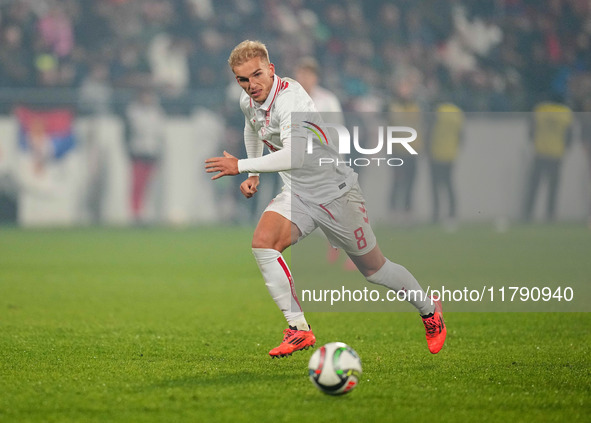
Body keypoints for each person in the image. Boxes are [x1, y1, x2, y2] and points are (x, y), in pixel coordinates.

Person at [205, 40, 446, 358]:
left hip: (336, 195)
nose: (251, 85)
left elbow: (295, 156)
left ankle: (430, 311)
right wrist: (254, 174)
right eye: (242, 79)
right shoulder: (248, 100)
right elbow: (253, 128)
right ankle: (298, 328)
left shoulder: (291, 100)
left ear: (272, 69)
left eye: (257, 75)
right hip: (298, 195)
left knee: (375, 271)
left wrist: (241, 165)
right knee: (263, 243)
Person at [522, 94, 573, 222]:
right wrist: (565, 148)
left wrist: (534, 143)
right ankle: (550, 214)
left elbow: (531, 131)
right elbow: (569, 135)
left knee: (534, 186)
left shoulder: (540, 109)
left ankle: (528, 214)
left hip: (540, 152)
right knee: (553, 187)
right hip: (556, 154)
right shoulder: (566, 113)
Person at [427, 102, 464, 227]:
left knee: (435, 187)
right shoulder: (457, 112)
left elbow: (429, 132)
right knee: (449, 185)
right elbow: (461, 136)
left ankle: (436, 215)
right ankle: (452, 214)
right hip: (450, 154)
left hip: (436, 154)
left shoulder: (437, 113)